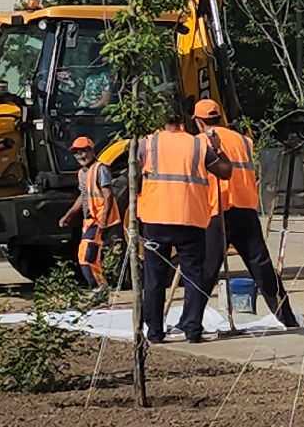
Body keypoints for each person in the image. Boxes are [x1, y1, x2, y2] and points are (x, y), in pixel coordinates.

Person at [192, 99, 299, 327]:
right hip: (245, 207)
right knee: (261, 265)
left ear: (200, 122)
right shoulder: (244, 140)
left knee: (207, 268)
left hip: (216, 208)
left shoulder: (199, 143)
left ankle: (192, 321)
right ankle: (286, 316)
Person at [135, 109, 232, 344]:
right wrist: (218, 148)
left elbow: (133, 176)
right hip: (190, 220)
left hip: (156, 219)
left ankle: (155, 332)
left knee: (154, 278)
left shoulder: (146, 144)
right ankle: (192, 329)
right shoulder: (197, 146)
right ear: (183, 121)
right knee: (194, 276)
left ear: (160, 120)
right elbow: (225, 172)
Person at [57, 136, 120, 289]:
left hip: (98, 220)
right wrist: (68, 215)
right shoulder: (82, 173)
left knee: (88, 256)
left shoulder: (100, 169)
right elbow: (84, 196)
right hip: (89, 221)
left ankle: (99, 288)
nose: (81, 156)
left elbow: (108, 194)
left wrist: (103, 219)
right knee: (86, 257)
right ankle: (99, 288)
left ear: (92, 151)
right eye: (77, 153)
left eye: (84, 152)